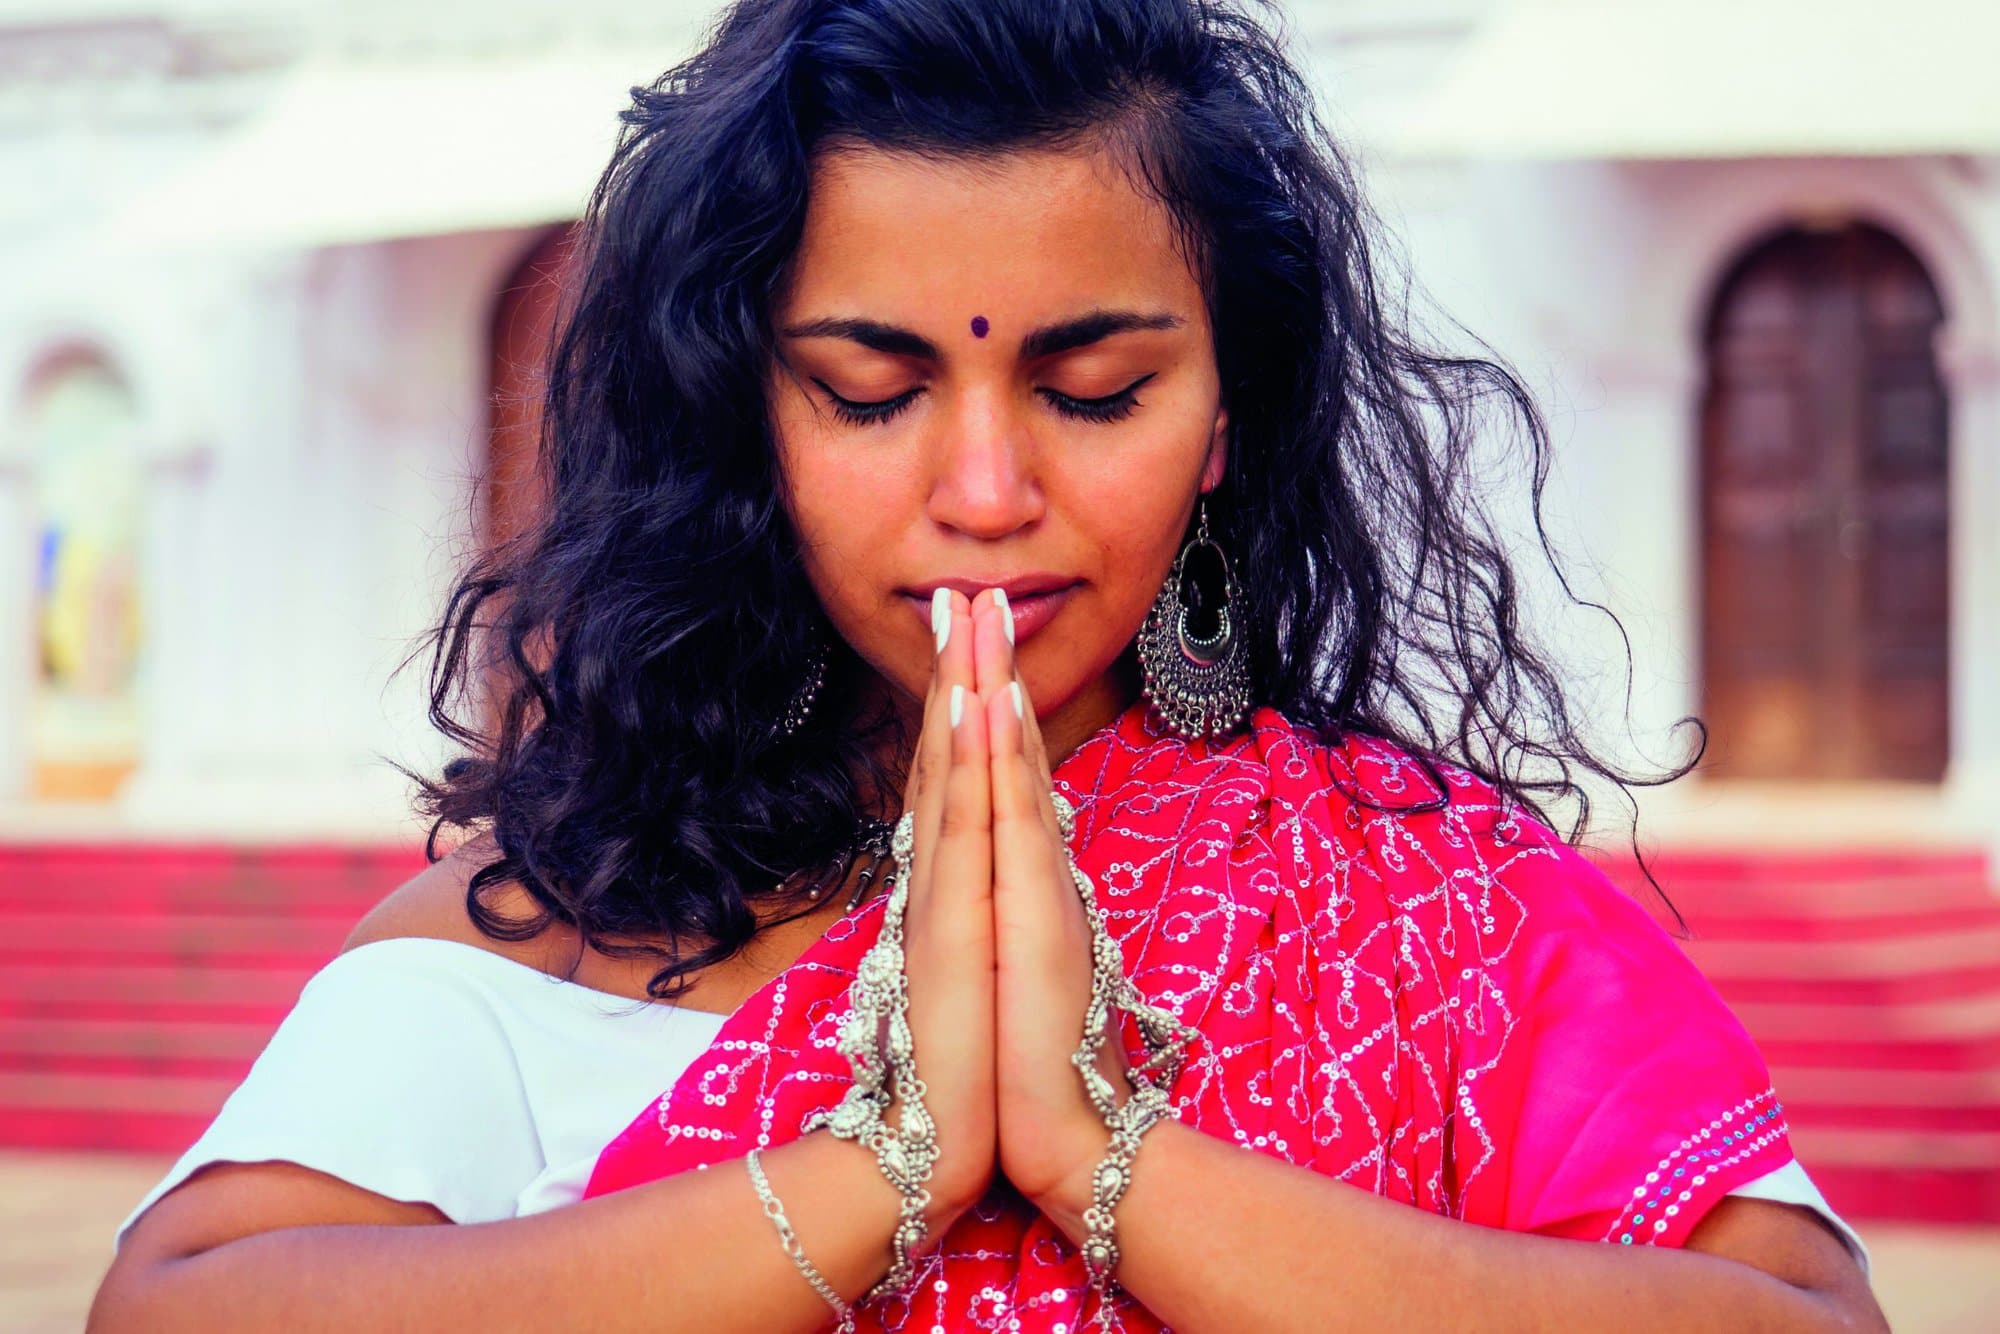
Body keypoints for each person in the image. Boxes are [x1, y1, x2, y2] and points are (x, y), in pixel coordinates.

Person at [91, 1, 1888, 1330]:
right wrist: (890, 1159)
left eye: (1096, 392)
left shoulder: (1430, 906)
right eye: (868, 392)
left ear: (1223, 423)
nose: (984, 493)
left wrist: (1118, 1160)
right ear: (747, 420)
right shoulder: (565, 916)